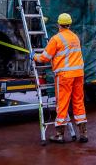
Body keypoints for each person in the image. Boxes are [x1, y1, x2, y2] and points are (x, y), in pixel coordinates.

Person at [31, 13, 88, 143]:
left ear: (58, 24)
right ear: (70, 24)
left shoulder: (56, 39)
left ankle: (59, 135)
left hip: (64, 76)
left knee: (62, 103)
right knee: (79, 102)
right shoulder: (75, 37)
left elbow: (44, 58)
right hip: (79, 74)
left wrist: (33, 56)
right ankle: (83, 133)